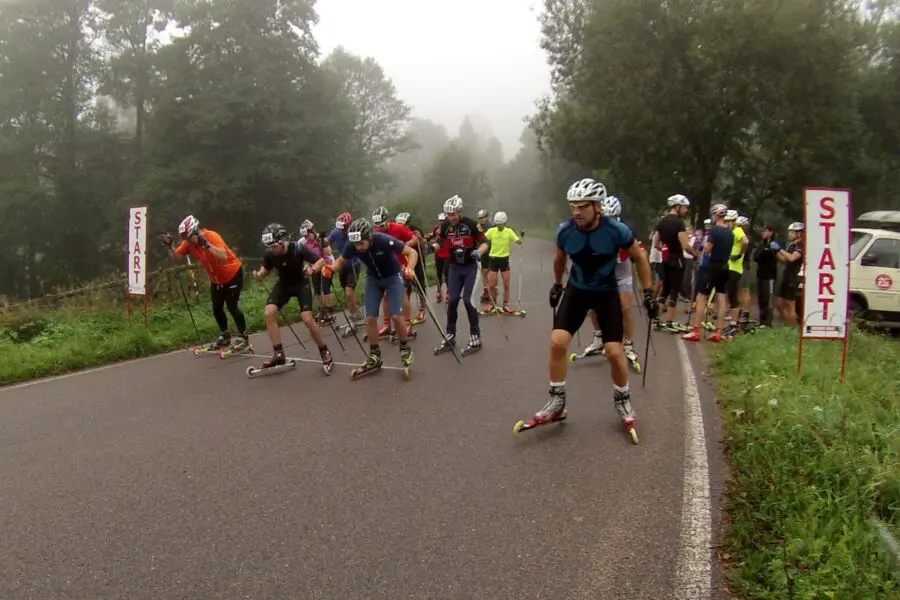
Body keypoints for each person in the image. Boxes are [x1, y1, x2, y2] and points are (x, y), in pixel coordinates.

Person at [530, 178, 656, 436]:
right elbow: (559, 257)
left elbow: (640, 257)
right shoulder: (566, 231)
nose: (576, 212)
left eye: (582, 206)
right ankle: (557, 401)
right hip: (577, 291)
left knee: (613, 352)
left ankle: (622, 399)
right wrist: (556, 284)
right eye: (573, 206)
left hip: (605, 293)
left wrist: (649, 292)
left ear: (597, 207)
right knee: (557, 342)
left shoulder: (616, 231)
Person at [320, 218, 418, 374]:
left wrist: (410, 268)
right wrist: (330, 269)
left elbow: (411, 252)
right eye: (356, 245)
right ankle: (374, 355)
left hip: (393, 277)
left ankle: (405, 347)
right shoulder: (353, 244)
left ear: (369, 237)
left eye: (361, 244)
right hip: (373, 280)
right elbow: (339, 261)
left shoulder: (383, 240)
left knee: (396, 316)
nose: (358, 248)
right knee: (370, 318)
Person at [251, 223, 334, 370]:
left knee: (307, 319)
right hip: (284, 285)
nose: (272, 249)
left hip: (301, 283)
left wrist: (312, 269)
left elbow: (320, 261)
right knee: (269, 312)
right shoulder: (270, 254)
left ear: (282, 241)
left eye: (274, 246)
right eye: (269, 246)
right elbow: (264, 271)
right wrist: (258, 276)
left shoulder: (298, 248)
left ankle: (324, 350)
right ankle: (278, 353)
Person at [161, 215, 249, 353]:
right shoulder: (189, 243)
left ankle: (243, 337)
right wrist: (170, 247)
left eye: (190, 237)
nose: (188, 241)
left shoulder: (211, 236)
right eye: (186, 239)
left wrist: (206, 245)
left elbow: (223, 256)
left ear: (195, 231)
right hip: (216, 279)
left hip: (232, 274)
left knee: (232, 306)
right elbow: (177, 258)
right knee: (216, 307)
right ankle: (225, 336)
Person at [580, 195, 641, 368]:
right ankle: (599, 337)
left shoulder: (626, 229)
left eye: (613, 218)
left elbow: (637, 250)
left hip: (622, 272)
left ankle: (628, 344)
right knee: (593, 305)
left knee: (625, 307)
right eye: (607, 218)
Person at [430, 194, 489, 357]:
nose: (451, 218)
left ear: (460, 212)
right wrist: (430, 248)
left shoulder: (471, 224)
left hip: (470, 267)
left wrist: (479, 251)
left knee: (469, 301)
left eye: (453, 214)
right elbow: (440, 242)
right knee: (453, 300)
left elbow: (485, 242)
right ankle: (450, 335)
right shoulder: (446, 226)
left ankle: (475, 337)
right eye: (448, 214)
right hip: (455, 267)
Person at [683, 204, 734, 342]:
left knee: (701, 297)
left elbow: (708, 248)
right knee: (721, 298)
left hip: (713, 266)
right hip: (725, 266)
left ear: (716, 215)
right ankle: (718, 332)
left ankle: (696, 331)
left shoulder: (715, 230)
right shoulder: (730, 232)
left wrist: (701, 245)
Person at [652, 194, 698, 332]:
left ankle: (656, 320)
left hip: (665, 258)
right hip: (676, 259)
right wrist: (695, 254)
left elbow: (655, 243)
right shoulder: (679, 223)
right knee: (674, 291)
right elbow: (685, 245)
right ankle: (670, 322)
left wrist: (664, 248)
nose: (686, 210)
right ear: (677, 207)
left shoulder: (662, 221)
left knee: (664, 289)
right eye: (684, 208)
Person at [372, 206, 418, 338]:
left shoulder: (397, 228)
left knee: (403, 293)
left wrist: (401, 246)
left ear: (387, 221)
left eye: (381, 225)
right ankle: (387, 325)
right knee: (385, 296)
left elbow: (414, 239)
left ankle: (407, 324)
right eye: (377, 226)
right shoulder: (375, 232)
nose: (379, 228)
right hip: (386, 267)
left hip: (401, 265)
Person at [324, 211, 364, 325]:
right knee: (347, 291)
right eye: (340, 228)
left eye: (344, 228)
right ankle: (356, 311)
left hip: (354, 264)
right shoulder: (336, 232)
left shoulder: (354, 233)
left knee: (349, 291)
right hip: (342, 265)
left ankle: (353, 319)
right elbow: (326, 243)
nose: (342, 230)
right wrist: (321, 238)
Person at [482, 211, 523, 314]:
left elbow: (518, 241)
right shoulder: (491, 231)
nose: (499, 226)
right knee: (492, 284)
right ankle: (492, 304)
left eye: (501, 224)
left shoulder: (509, 231)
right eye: (497, 224)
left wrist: (521, 237)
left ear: (504, 223)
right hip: (493, 259)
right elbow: (482, 238)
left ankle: (505, 305)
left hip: (504, 260)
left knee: (506, 284)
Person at [394, 212, 428, 325]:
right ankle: (406, 314)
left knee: (419, 286)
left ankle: (422, 310)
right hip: (404, 261)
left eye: (404, 224)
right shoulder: (396, 230)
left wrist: (418, 238)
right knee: (405, 288)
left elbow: (423, 242)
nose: (401, 226)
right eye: (399, 224)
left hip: (417, 260)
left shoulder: (415, 230)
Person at [723, 210, 749, 336]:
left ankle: (734, 324)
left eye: (729, 221)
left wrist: (739, 254)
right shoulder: (732, 231)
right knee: (730, 295)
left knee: (733, 296)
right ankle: (733, 324)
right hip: (730, 266)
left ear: (734, 222)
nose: (727, 224)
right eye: (726, 221)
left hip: (735, 268)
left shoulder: (738, 230)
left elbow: (745, 242)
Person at [774, 222, 804, 327]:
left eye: (792, 232)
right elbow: (784, 260)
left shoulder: (801, 245)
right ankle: (788, 324)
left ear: (799, 233)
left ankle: (793, 328)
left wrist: (779, 249)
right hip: (786, 275)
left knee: (790, 304)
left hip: (793, 277)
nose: (789, 234)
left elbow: (791, 258)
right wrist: (776, 253)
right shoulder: (791, 245)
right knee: (779, 303)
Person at [753, 224, 779, 327]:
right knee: (761, 298)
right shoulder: (762, 244)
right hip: (761, 275)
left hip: (770, 276)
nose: (763, 233)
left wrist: (768, 250)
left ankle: (768, 322)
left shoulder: (774, 244)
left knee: (767, 299)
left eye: (765, 231)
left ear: (771, 232)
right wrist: (763, 250)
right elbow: (756, 257)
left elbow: (776, 257)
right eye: (762, 231)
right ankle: (761, 320)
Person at [427, 213, 451, 303]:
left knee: (447, 273)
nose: (442, 222)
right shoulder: (437, 228)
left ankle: (449, 292)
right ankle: (439, 290)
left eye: (443, 220)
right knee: (438, 273)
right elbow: (429, 236)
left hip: (448, 253)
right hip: (438, 253)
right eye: (440, 220)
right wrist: (425, 240)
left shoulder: (451, 228)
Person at [476, 208, 494, 304]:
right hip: (483, 253)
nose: (481, 220)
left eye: (483, 217)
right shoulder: (477, 227)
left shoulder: (491, 226)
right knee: (484, 272)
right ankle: (486, 291)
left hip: (492, 251)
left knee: (491, 272)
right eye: (479, 218)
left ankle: (492, 289)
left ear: (487, 217)